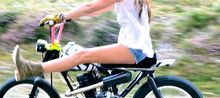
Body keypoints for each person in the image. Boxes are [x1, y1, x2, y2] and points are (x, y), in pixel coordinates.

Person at [12, 0, 154, 81]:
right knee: (81, 53)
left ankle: (31, 69)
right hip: (133, 47)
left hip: (134, 50)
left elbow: (89, 8)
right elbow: (96, 10)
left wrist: (61, 17)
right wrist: (68, 18)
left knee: (81, 55)